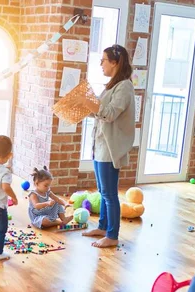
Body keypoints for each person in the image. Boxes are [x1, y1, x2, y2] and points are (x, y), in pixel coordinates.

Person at [74, 44, 135, 248]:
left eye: (104, 60)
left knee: (109, 193)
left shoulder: (124, 86)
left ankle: (112, 235)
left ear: (115, 62)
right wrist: (85, 104)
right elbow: (99, 112)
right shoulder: (111, 85)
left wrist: (89, 102)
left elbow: (109, 114)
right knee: (103, 191)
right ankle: (103, 227)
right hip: (99, 146)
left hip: (110, 148)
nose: (101, 64)